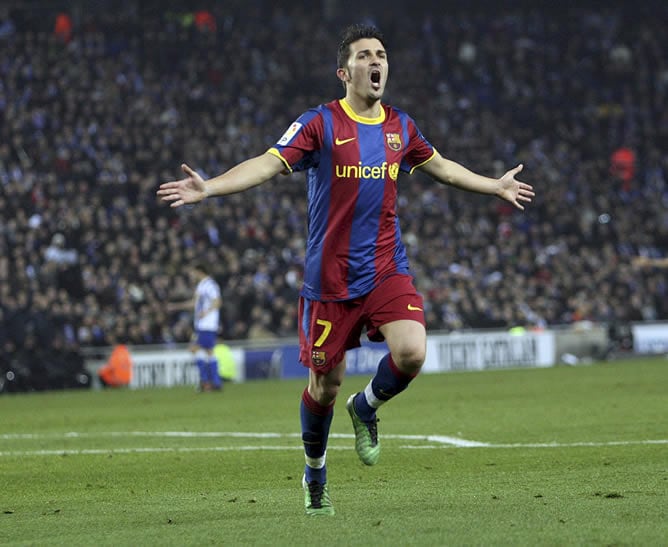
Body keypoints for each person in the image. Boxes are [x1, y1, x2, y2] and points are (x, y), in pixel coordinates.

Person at [158, 24, 534, 516]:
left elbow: (442, 167)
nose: (377, 62)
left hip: (384, 269)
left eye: (381, 54)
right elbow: (268, 163)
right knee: (324, 387)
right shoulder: (319, 124)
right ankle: (315, 473)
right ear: (345, 72)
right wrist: (210, 188)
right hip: (329, 282)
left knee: (413, 352)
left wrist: (494, 185)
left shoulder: (402, 126)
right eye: (365, 55)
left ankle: (367, 407)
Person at [168, 264, 223, 391]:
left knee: (194, 349)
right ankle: (214, 383)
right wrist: (175, 306)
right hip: (202, 325)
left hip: (207, 325)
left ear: (199, 272)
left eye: (192, 273)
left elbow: (218, 301)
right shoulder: (201, 286)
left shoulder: (210, 285)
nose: (191, 275)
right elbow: (194, 304)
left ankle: (206, 382)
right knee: (209, 352)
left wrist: (206, 312)